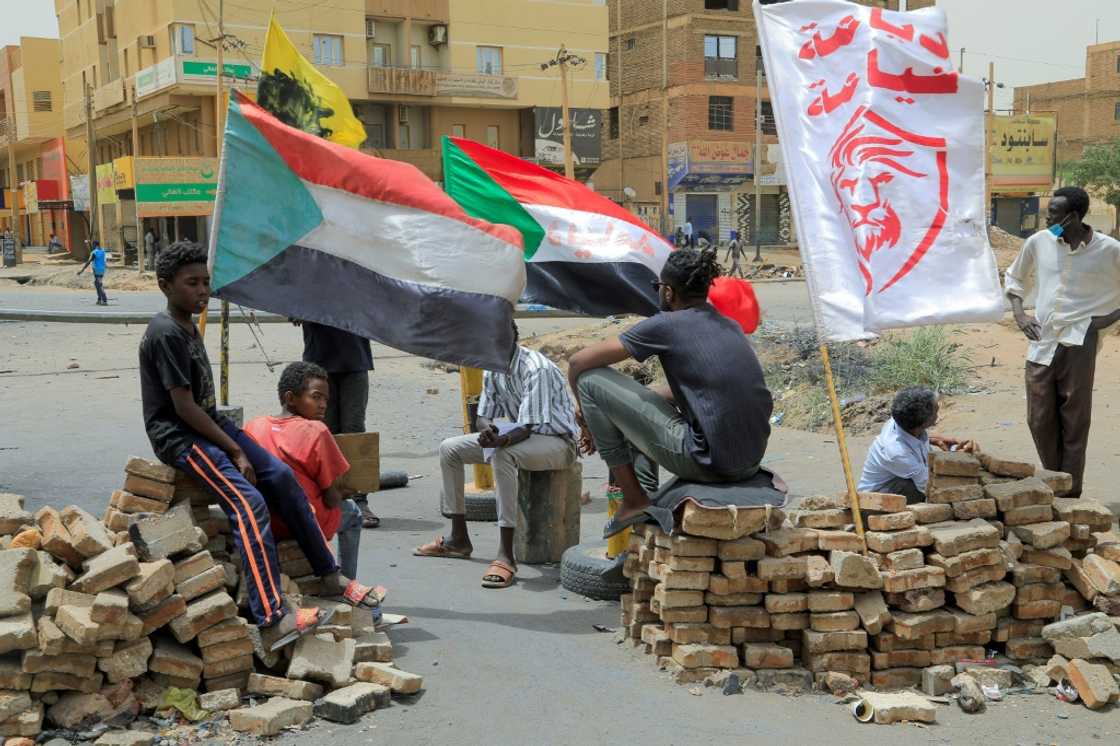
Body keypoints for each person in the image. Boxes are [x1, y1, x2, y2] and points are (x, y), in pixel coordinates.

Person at [138, 241, 382, 651]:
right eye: (191, 283)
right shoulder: (165, 333)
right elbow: (181, 406)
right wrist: (234, 451)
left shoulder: (188, 326)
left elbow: (204, 406)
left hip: (207, 422)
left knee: (281, 477)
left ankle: (328, 572)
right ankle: (271, 614)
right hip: (179, 435)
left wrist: (239, 442)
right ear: (165, 286)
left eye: (205, 283)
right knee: (247, 500)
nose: (201, 291)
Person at [568, 248, 773, 537]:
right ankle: (646, 496)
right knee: (639, 400)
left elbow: (579, 362)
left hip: (709, 462)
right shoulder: (728, 325)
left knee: (590, 380)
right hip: (750, 460)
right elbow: (702, 390)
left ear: (668, 292)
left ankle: (634, 499)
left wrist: (584, 415)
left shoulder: (666, 325)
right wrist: (631, 403)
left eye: (658, 288)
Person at [415, 324, 579, 589]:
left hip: (557, 443)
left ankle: (506, 556)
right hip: (518, 437)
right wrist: (486, 429)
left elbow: (526, 427)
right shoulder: (493, 366)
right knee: (450, 448)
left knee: (502, 455)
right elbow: (483, 414)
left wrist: (499, 440)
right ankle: (458, 539)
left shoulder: (536, 368)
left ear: (510, 338)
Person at [1005, 186, 1120, 498]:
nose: (1046, 219)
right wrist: (1020, 315)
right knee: (1038, 417)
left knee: (1075, 419)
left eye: (1052, 214)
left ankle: (1069, 493)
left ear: (1072, 216)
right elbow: (1014, 278)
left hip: (1080, 340)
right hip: (1042, 339)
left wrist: (1106, 320)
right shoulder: (1038, 243)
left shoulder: (1109, 249)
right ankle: (1058, 480)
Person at [245, 361, 366, 580]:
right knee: (354, 514)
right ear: (290, 398)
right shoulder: (316, 431)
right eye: (316, 397)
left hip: (264, 519)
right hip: (303, 522)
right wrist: (343, 491)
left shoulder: (254, 426)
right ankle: (347, 580)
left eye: (325, 400)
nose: (323, 405)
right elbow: (331, 499)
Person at [297, 322, 380, 528]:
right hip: (319, 361)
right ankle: (324, 496)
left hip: (355, 360)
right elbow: (292, 307)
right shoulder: (307, 288)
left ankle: (359, 499)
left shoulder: (360, 288)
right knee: (324, 430)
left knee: (353, 431)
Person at [857, 387, 976, 504]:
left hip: (904, 475)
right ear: (924, 422)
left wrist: (936, 441)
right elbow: (928, 485)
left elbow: (912, 440)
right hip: (874, 501)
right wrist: (958, 462)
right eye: (936, 409)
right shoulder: (897, 453)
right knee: (939, 490)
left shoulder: (901, 419)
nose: (939, 407)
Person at [77, 240, 108, 305]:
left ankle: (104, 299)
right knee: (97, 283)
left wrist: (82, 270)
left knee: (99, 284)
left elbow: (89, 262)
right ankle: (99, 299)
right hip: (102, 269)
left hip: (96, 269)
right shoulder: (102, 251)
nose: (93, 246)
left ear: (95, 245)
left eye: (93, 245)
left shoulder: (94, 252)